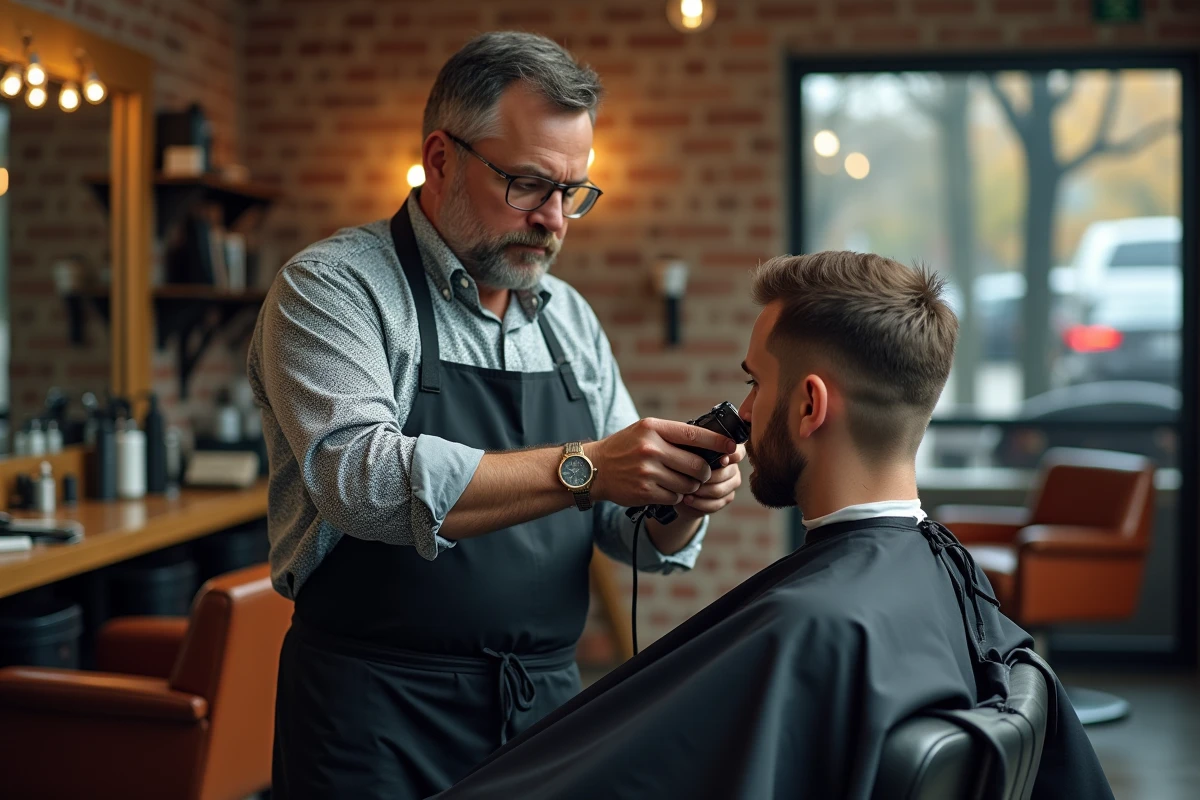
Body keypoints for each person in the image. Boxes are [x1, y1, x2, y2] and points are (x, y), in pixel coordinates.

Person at [248, 31, 745, 799]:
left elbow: (629, 534)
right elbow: (362, 482)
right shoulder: (334, 289)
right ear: (442, 158)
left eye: (572, 192)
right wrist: (586, 467)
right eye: (528, 185)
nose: (555, 220)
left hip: (543, 713)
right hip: (372, 718)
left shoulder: (569, 319)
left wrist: (678, 500)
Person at [434, 251, 1115, 800]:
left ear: (810, 405)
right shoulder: (944, 571)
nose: (746, 412)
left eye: (756, 383)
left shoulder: (811, 625)